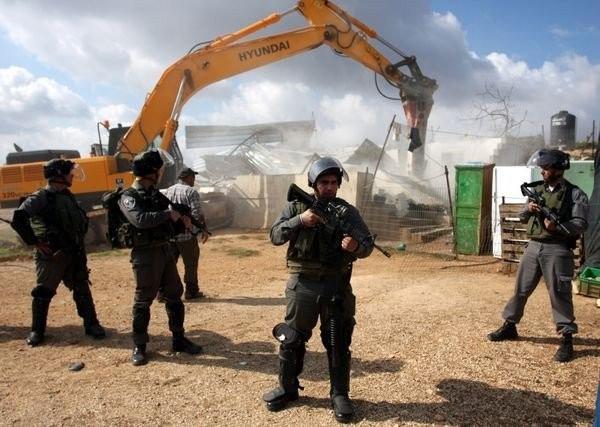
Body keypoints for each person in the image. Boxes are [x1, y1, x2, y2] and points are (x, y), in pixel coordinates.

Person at [262, 157, 374, 423]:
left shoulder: (347, 212)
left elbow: (367, 245)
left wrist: (356, 247)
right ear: (313, 183)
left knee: (338, 340)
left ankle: (339, 395)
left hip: (336, 285)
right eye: (324, 182)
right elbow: (275, 235)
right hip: (303, 283)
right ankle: (287, 388)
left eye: (334, 182)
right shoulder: (296, 207)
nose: (329, 187)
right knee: (291, 338)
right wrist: (300, 220)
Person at [488, 149, 589, 363]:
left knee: (559, 293)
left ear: (558, 170)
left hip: (557, 249)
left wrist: (557, 227)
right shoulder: (537, 190)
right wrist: (529, 209)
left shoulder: (575, 194)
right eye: (542, 168)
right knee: (521, 289)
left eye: (546, 168)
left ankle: (567, 339)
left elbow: (581, 224)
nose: (542, 172)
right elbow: (522, 217)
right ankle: (510, 326)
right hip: (533, 246)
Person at [118, 150, 202, 366]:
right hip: (146, 254)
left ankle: (178, 339)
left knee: (174, 295)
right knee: (143, 300)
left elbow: (172, 214)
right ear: (150, 172)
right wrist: (168, 214)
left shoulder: (155, 194)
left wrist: (183, 219)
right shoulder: (129, 196)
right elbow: (139, 220)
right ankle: (139, 346)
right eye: (159, 170)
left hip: (165, 249)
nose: (161, 173)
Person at [10, 158, 106, 346]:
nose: (73, 176)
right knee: (43, 292)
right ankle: (37, 331)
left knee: (81, 288)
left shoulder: (68, 196)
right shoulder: (41, 197)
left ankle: (92, 324)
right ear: (59, 176)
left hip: (74, 253)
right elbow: (18, 218)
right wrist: (35, 242)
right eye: (70, 173)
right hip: (52, 256)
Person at [160, 167, 210, 301]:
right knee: (191, 264)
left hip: (171, 236)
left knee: (168, 265)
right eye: (193, 177)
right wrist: (202, 228)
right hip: (186, 236)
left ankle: (163, 293)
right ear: (187, 177)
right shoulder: (191, 191)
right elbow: (196, 213)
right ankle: (191, 291)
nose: (194, 179)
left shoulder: (168, 190)